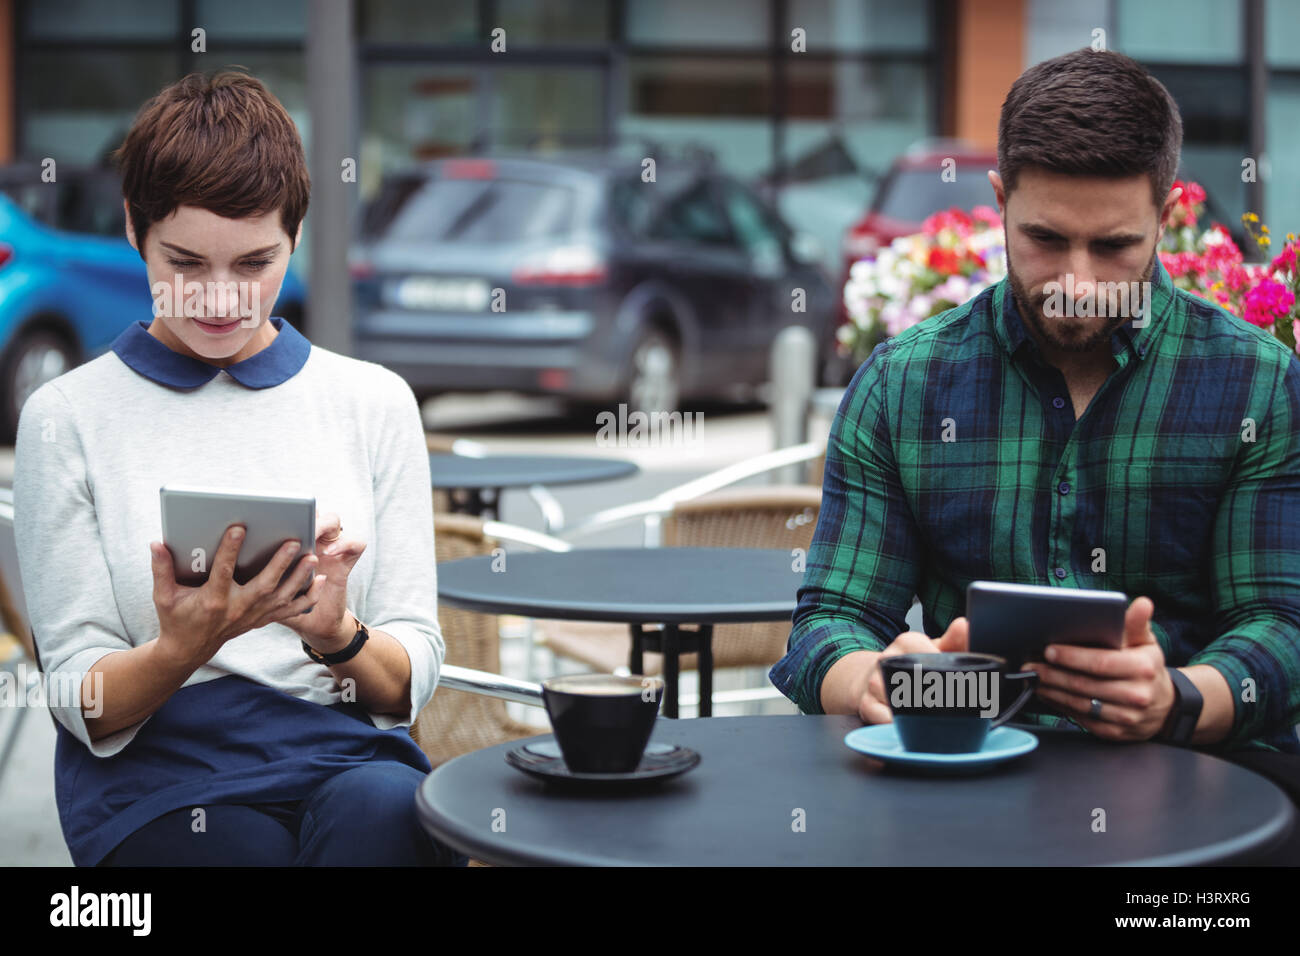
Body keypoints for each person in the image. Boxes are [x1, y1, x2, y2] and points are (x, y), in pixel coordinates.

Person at [770, 49, 1300, 862]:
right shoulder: (903, 385)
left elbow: (1282, 625)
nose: (1077, 282)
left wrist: (1179, 698)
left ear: (1166, 212)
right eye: (1046, 239)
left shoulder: (1257, 385)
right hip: (963, 795)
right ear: (999, 203)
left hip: (1201, 801)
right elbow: (828, 626)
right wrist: (871, 679)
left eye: (1115, 245)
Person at [12, 69, 466, 866]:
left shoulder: (375, 403)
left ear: (297, 234)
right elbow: (73, 697)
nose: (219, 301)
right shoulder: (67, 419)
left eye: (254, 264)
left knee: (391, 822)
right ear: (132, 228)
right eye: (185, 263)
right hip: (153, 775)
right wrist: (179, 650)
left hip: (340, 754)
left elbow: (409, 678)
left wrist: (337, 637)